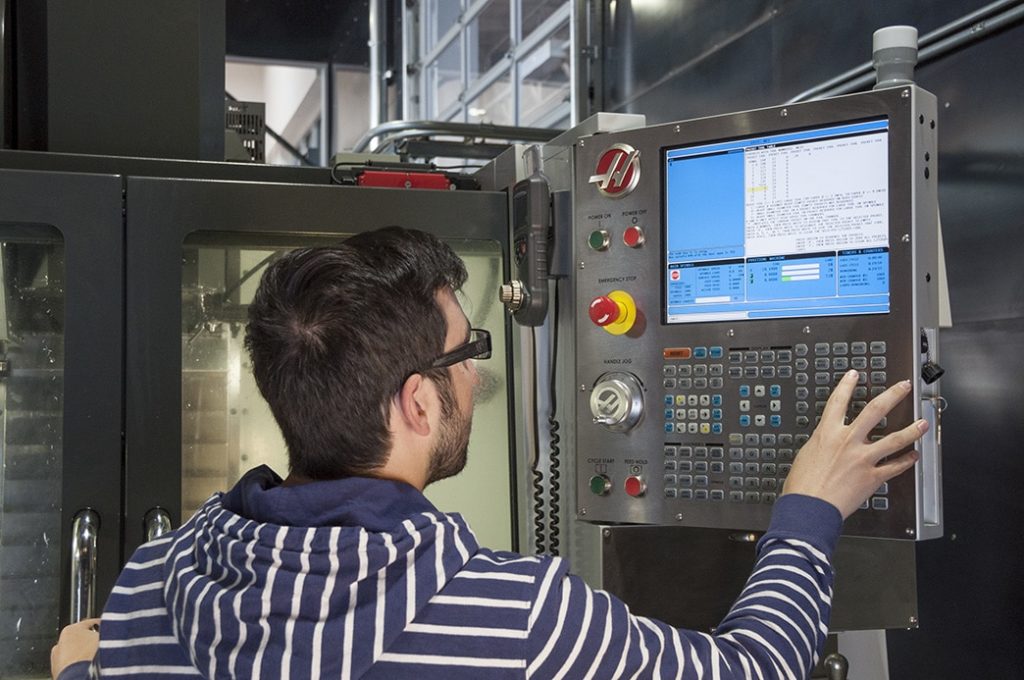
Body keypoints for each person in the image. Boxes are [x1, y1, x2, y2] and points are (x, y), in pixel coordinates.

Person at [52, 226, 926, 679]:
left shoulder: (149, 588)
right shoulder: (518, 621)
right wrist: (810, 510)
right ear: (418, 402)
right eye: (468, 352)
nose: (478, 374)